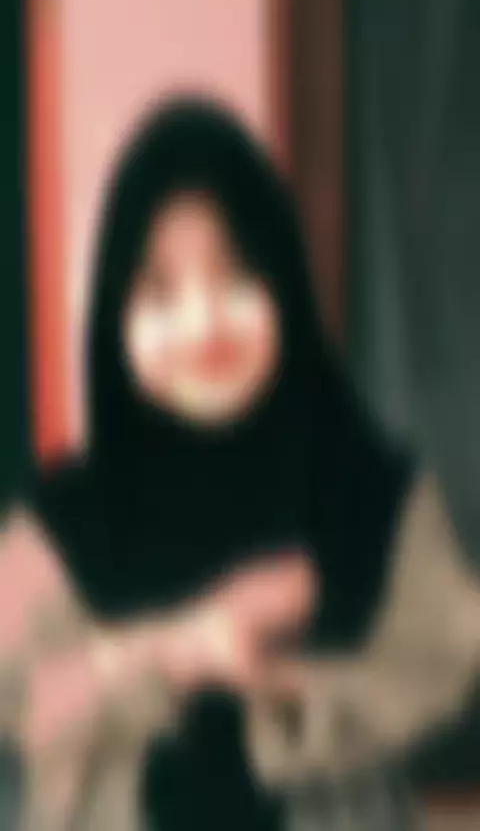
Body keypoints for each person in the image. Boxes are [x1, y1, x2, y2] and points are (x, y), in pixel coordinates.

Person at [2, 97, 479, 831]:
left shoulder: (376, 496)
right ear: (114, 319)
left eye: (237, 275)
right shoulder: (60, 521)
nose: (203, 324)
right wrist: (178, 646)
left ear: (286, 286)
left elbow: (444, 660)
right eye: (159, 290)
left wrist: (281, 690)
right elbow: (23, 701)